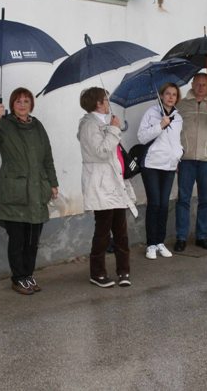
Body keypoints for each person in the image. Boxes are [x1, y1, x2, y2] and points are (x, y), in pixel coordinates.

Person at [0, 87, 59, 295]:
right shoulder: (4, 124)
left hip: (37, 191)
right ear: (12, 105)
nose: (22, 105)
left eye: (26, 101)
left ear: (31, 104)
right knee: (17, 239)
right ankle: (18, 278)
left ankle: (28, 275)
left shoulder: (37, 125)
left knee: (33, 240)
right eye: (18, 101)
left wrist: (53, 183)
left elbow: (47, 157)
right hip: (15, 192)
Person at [77, 87, 136, 288]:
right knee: (102, 232)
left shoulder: (104, 122)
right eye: (106, 99)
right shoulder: (89, 125)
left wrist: (112, 128)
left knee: (121, 231)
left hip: (115, 183)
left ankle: (124, 271)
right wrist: (114, 130)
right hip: (101, 185)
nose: (109, 103)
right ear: (98, 103)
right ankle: (97, 273)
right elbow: (101, 151)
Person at [174, 73, 207, 252]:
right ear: (192, 84)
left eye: (204, 84)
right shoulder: (181, 105)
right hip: (186, 159)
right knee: (183, 199)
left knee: (205, 200)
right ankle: (181, 237)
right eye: (198, 84)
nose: (201, 87)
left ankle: (202, 236)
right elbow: (173, 132)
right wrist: (175, 156)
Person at [137, 82, 184, 260]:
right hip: (152, 165)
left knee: (164, 205)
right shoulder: (151, 113)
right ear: (162, 95)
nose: (171, 97)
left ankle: (160, 242)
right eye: (168, 93)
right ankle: (151, 244)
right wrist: (160, 125)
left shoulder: (178, 118)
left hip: (169, 166)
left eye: (174, 94)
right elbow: (141, 137)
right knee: (155, 203)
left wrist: (178, 155)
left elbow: (177, 141)